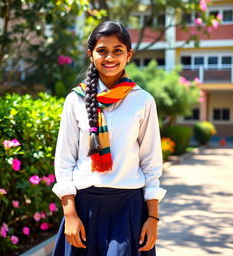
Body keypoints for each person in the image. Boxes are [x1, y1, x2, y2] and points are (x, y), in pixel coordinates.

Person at [51, 20, 167, 256]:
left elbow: (151, 162)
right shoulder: (76, 100)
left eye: (118, 50)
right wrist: (70, 214)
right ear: (91, 54)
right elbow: (64, 160)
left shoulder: (142, 100)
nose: (110, 57)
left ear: (129, 55)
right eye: (102, 50)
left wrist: (153, 217)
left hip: (129, 208)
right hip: (85, 208)